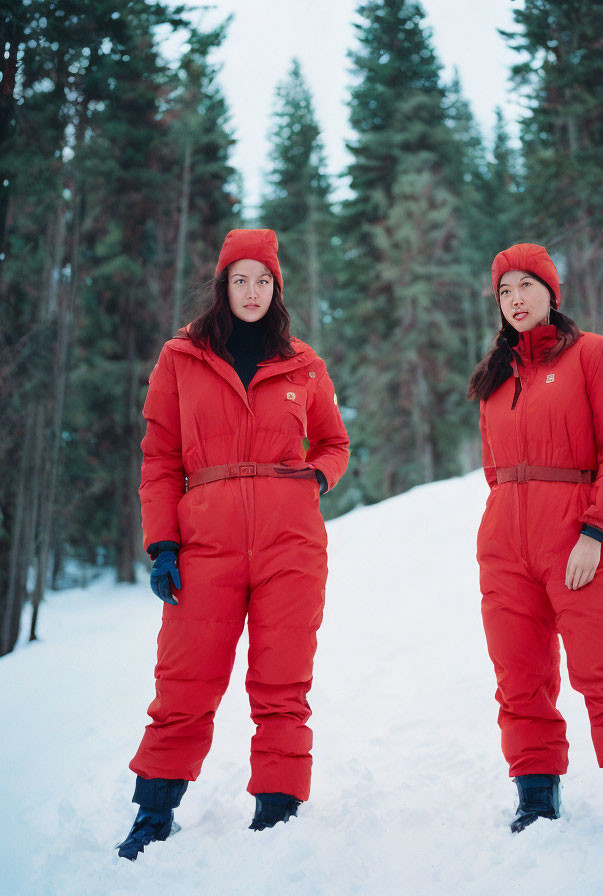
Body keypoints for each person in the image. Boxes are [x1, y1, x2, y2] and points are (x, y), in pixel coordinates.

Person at [117, 229, 350, 860]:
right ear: (223, 286)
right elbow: (160, 456)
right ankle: (154, 811)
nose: (252, 292)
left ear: (277, 290)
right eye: (241, 279)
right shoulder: (181, 358)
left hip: (290, 544)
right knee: (185, 680)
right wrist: (162, 542)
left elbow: (334, 442)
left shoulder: (304, 363)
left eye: (264, 281)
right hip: (205, 543)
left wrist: (315, 479)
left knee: (282, 681)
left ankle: (278, 810)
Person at [468, 242, 603, 846]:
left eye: (526, 286)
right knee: (519, 675)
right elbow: (494, 469)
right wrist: (503, 530)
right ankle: (537, 795)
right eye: (504, 292)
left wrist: (593, 530)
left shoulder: (594, 355)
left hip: (577, 536)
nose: (515, 300)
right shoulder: (494, 379)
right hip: (506, 546)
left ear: (552, 292)